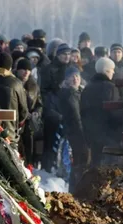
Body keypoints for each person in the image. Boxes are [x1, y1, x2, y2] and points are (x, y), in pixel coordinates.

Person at [81, 58, 123, 167]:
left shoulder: (87, 88)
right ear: (106, 71)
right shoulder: (110, 88)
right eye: (111, 70)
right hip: (109, 135)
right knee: (109, 168)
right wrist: (121, 132)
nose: (113, 72)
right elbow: (115, 112)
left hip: (92, 134)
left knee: (95, 166)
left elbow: (83, 111)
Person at [40, 43, 71, 171]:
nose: (67, 57)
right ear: (58, 55)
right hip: (52, 107)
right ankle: (48, 167)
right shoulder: (49, 68)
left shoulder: (70, 68)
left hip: (67, 106)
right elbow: (44, 90)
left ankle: (62, 167)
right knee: (51, 140)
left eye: (69, 54)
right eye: (64, 54)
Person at [58, 66, 88, 193]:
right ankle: (76, 190)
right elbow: (76, 117)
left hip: (76, 133)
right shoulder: (70, 95)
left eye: (77, 76)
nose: (75, 79)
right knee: (78, 163)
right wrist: (84, 134)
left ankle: (76, 188)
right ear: (67, 79)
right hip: (75, 133)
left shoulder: (78, 92)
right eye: (72, 76)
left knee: (78, 162)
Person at [14, 58, 43, 166]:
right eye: (23, 69)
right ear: (17, 70)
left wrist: (37, 112)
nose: (26, 72)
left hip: (29, 122)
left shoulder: (34, 86)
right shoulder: (13, 83)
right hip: (16, 121)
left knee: (29, 146)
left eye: (28, 69)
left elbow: (39, 103)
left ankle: (30, 165)